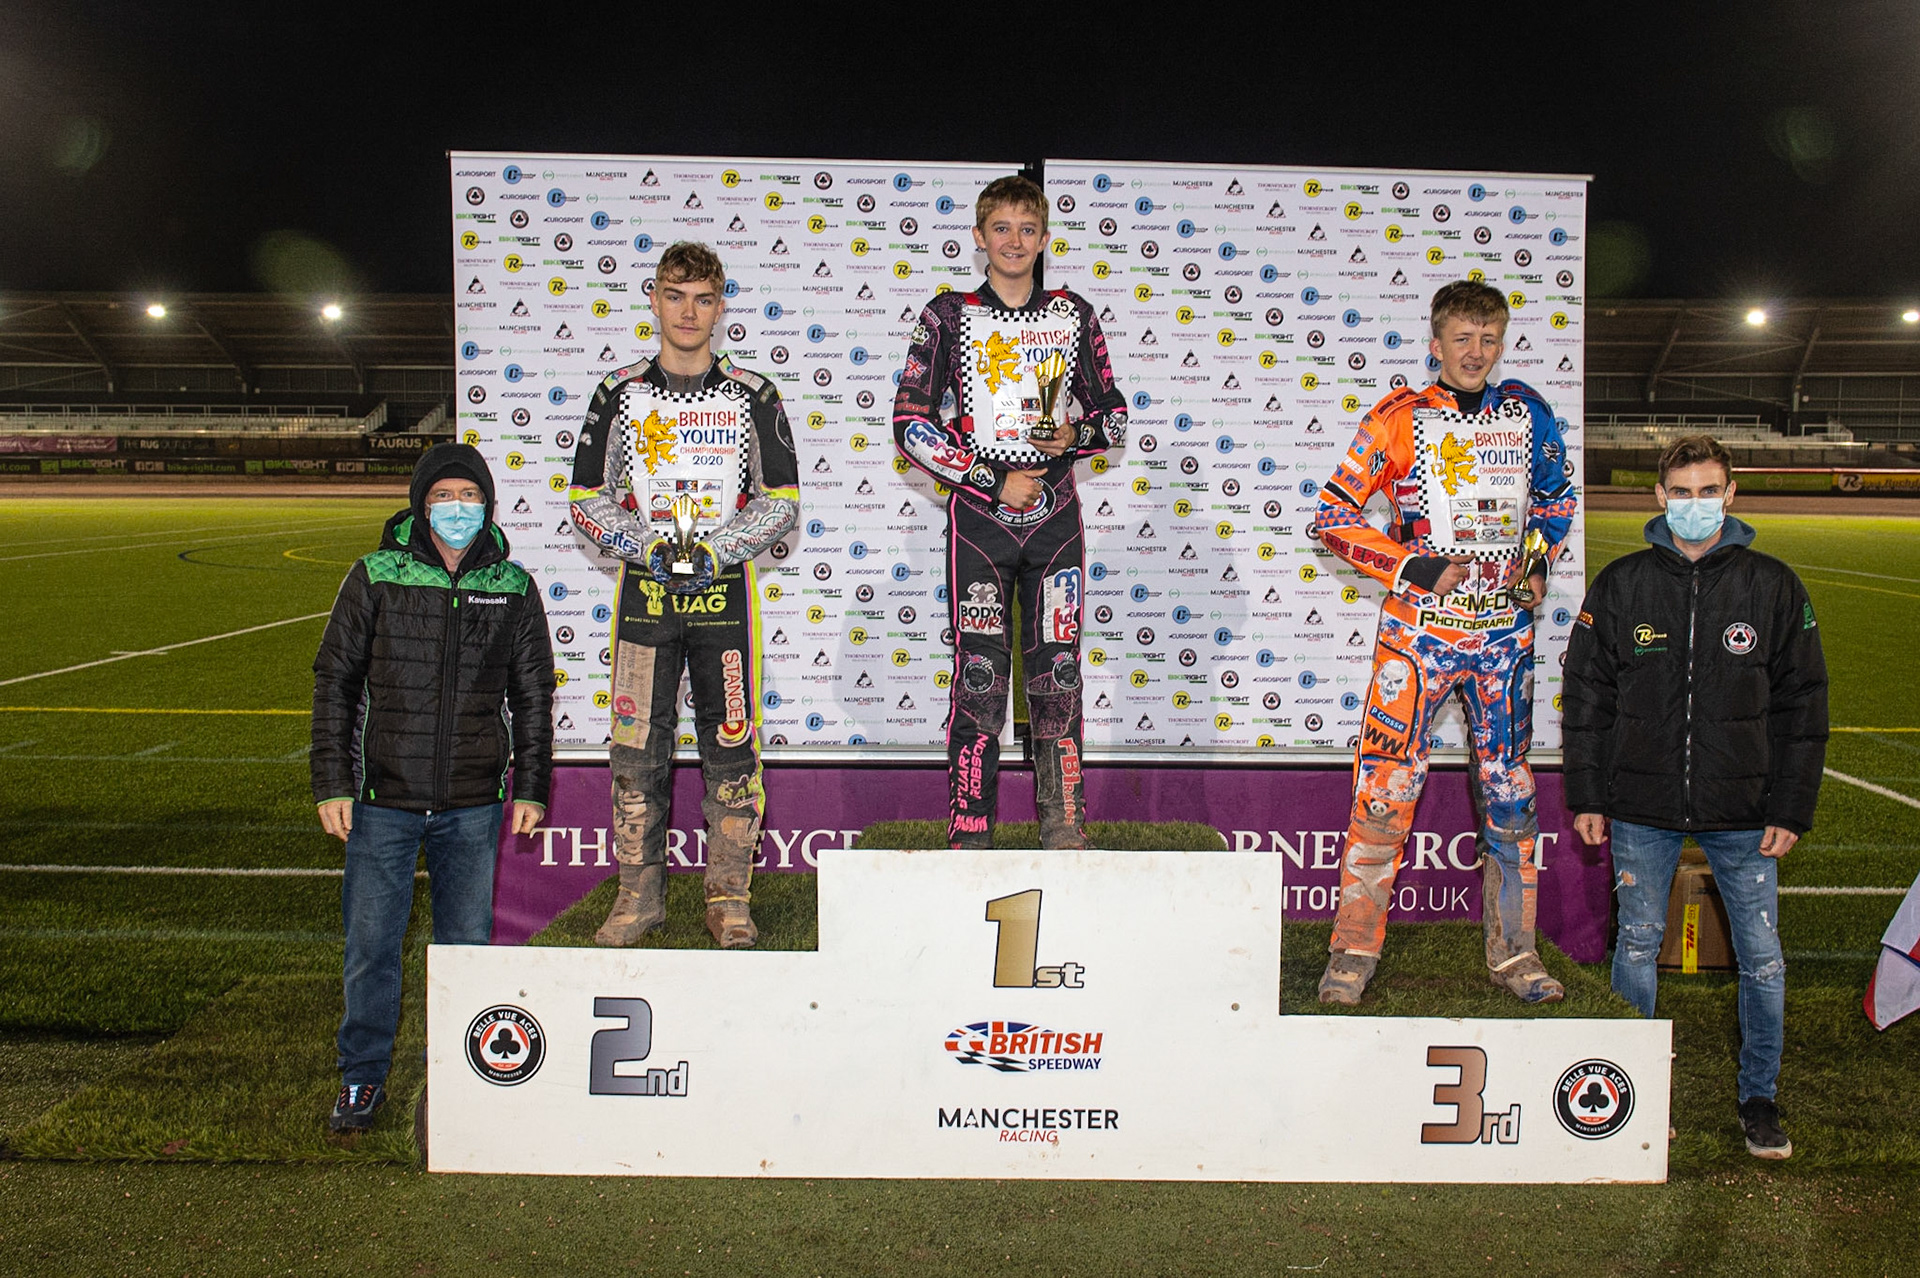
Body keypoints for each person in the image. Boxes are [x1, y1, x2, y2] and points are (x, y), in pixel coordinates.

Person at [1312, 280, 1578, 1005]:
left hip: (1502, 641)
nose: (1476, 352)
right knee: (1385, 790)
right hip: (1418, 638)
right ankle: (1352, 952)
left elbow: (1557, 502)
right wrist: (1413, 565)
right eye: (1463, 338)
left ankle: (1515, 954)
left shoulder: (1529, 415)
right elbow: (1332, 516)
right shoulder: (1398, 417)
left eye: (1489, 338)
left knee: (1510, 793)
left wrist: (1537, 563)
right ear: (1436, 343)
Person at [1563, 434, 1828, 1160]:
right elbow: (1586, 699)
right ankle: (1628, 1094)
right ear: (1660, 497)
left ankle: (1760, 1099)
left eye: (1707, 491)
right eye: (1681, 492)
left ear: (1731, 494)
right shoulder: (1621, 585)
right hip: (1641, 808)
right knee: (1637, 948)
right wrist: (1588, 793)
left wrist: (1790, 807)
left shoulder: (1773, 586)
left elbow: (1804, 705)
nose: (1694, 505)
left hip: (1745, 812)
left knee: (1763, 958)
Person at [311, 442, 555, 1133]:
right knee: (371, 948)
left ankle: (460, 1077)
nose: (457, 508)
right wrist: (333, 780)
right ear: (421, 504)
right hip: (382, 803)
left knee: (465, 951)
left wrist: (530, 787)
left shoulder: (511, 585)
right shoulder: (375, 574)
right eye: (443, 496)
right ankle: (362, 1080)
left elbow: (533, 694)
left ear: (487, 506)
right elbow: (336, 682)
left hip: (473, 807)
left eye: (468, 496)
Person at [569, 241, 799, 949]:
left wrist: (715, 549)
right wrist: (648, 546)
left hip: (722, 597)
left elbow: (783, 500)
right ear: (654, 300)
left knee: (732, 748)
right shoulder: (618, 393)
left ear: (721, 306)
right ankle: (638, 898)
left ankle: (729, 898)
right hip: (645, 597)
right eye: (676, 295)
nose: (689, 311)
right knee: (637, 750)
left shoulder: (755, 395)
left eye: (704, 298)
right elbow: (585, 499)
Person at [892, 175, 1126, 849]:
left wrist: (1074, 437)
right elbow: (910, 424)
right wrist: (993, 479)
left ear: (1045, 239)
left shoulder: (1074, 314)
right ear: (978, 237)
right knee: (980, 676)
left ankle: (1063, 822)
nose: (1015, 241)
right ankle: (971, 826)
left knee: (1058, 673)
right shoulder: (946, 314)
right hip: (981, 524)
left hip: (1055, 522)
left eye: (1028, 229)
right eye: (1001, 228)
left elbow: (1113, 415)